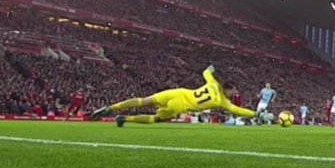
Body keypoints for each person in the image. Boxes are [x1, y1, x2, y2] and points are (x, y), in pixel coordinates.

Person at [90, 66, 255, 126]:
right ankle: (123, 119)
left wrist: (211, 68)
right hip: (180, 105)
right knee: (156, 119)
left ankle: (110, 108)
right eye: (232, 91)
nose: (233, 94)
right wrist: (255, 114)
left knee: (144, 100)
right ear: (228, 89)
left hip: (178, 91)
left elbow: (205, 71)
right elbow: (238, 110)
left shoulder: (213, 83)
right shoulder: (222, 101)